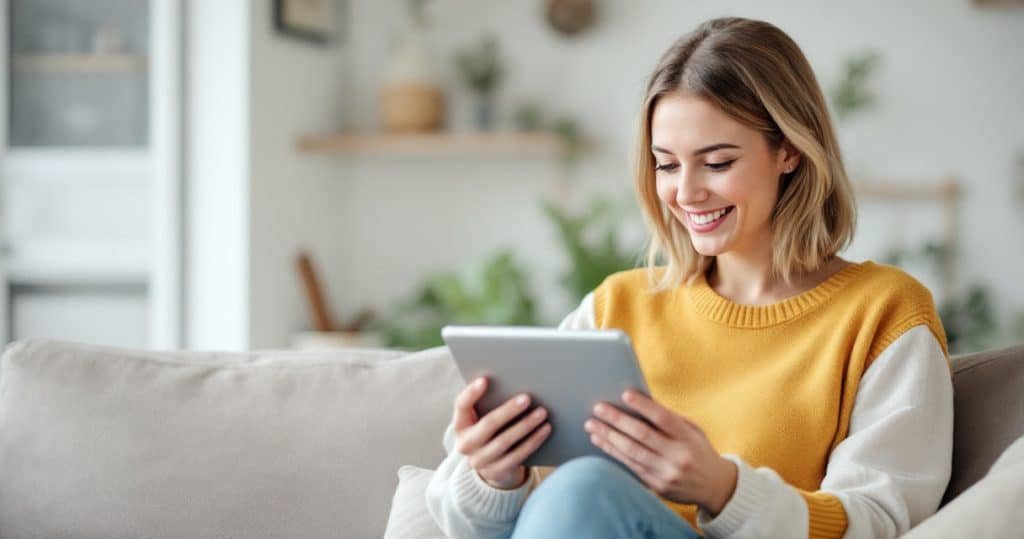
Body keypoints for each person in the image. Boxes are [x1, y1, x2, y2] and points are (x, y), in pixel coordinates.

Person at [425, 16, 952, 539]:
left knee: (584, 487)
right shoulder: (616, 308)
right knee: (578, 490)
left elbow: (885, 522)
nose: (686, 193)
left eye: (717, 162)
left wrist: (723, 490)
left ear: (789, 150)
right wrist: (495, 476)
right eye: (667, 165)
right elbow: (471, 522)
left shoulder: (883, 313)